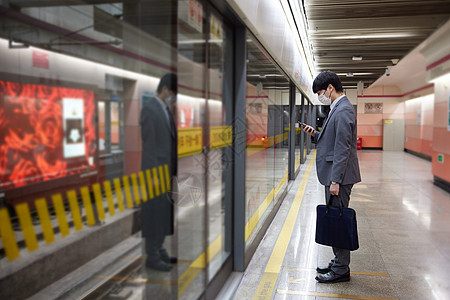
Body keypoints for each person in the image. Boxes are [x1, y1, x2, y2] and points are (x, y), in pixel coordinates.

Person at [301, 71, 361, 283]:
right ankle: (338, 262)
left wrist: (335, 180)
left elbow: (343, 147)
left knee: (339, 221)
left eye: (320, 92)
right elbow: (333, 138)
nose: (321, 96)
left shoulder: (343, 110)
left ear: (330, 88)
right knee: (336, 218)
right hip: (337, 174)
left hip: (340, 177)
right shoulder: (337, 108)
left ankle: (341, 269)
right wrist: (315, 135)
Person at [140, 73, 178, 272]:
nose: (174, 97)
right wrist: (154, 177)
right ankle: (152, 255)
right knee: (154, 214)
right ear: (164, 89)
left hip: (166, 174)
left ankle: (159, 248)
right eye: (173, 93)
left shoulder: (165, 110)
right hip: (155, 176)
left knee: (163, 213)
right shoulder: (149, 110)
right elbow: (150, 147)